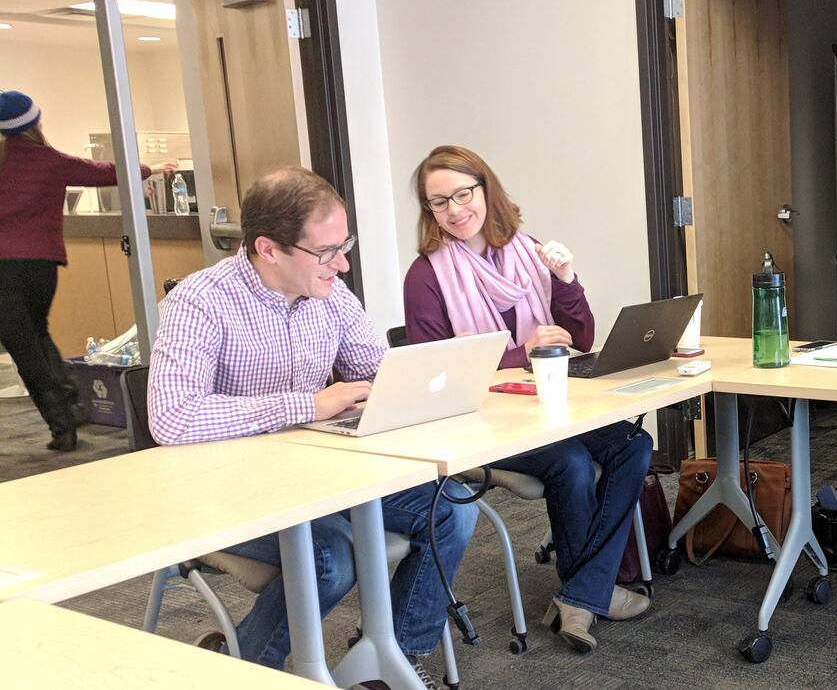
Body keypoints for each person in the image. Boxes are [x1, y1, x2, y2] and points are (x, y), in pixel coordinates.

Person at [149, 167, 475, 686]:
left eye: (344, 245)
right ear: (268, 249)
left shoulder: (332, 295)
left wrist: (415, 390)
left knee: (451, 511)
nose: (341, 264)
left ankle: (391, 656)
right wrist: (306, 405)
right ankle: (243, 672)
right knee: (331, 559)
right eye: (325, 252)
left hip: (318, 473)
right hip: (226, 487)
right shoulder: (199, 301)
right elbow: (172, 416)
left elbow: (376, 371)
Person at [403, 145, 652, 655]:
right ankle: (588, 597)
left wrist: (565, 281)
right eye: (438, 202)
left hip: (543, 407)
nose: (453, 210)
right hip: (483, 424)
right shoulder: (426, 277)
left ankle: (582, 594)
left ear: (485, 189)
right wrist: (522, 352)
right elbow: (441, 376)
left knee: (633, 443)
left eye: (462, 194)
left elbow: (580, 337)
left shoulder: (526, 249)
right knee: (572, 462)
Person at [0, 90, 163, 451]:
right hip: (42, 267)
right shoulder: (49, 160)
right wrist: (149, 169)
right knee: (37, 334)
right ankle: (70, 401)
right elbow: (102, 172)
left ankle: (62, 423)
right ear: (34, 123)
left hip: (3, 270)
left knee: (22, 346)